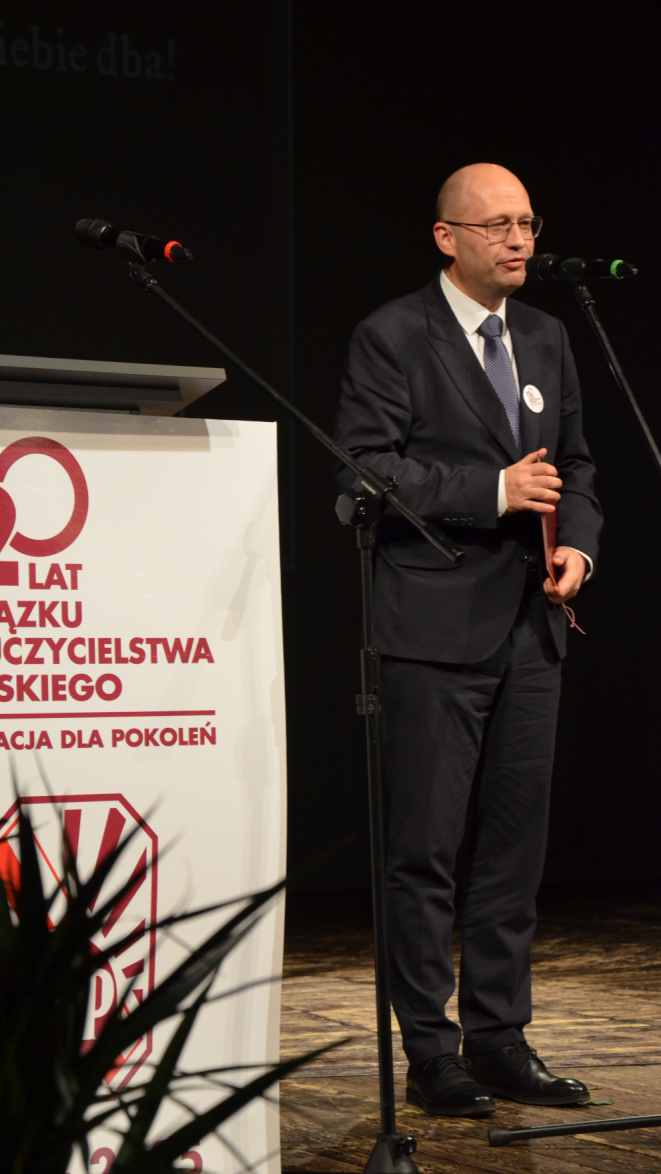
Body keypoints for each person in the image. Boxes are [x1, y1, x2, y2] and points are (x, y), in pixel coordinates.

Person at [333, 163, 603, 1117]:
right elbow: (362, 469)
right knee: (425, 851)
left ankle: (499, 1038)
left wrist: (576, 543)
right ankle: (429, 1050)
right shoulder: (392, 334)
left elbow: (576, 465)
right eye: (496, 226)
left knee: (512, 851)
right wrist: (491, 492)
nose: (518, 240)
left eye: (526, 222)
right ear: (446, 238)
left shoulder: (547, 335)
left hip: (532, 625)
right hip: (432, 626)